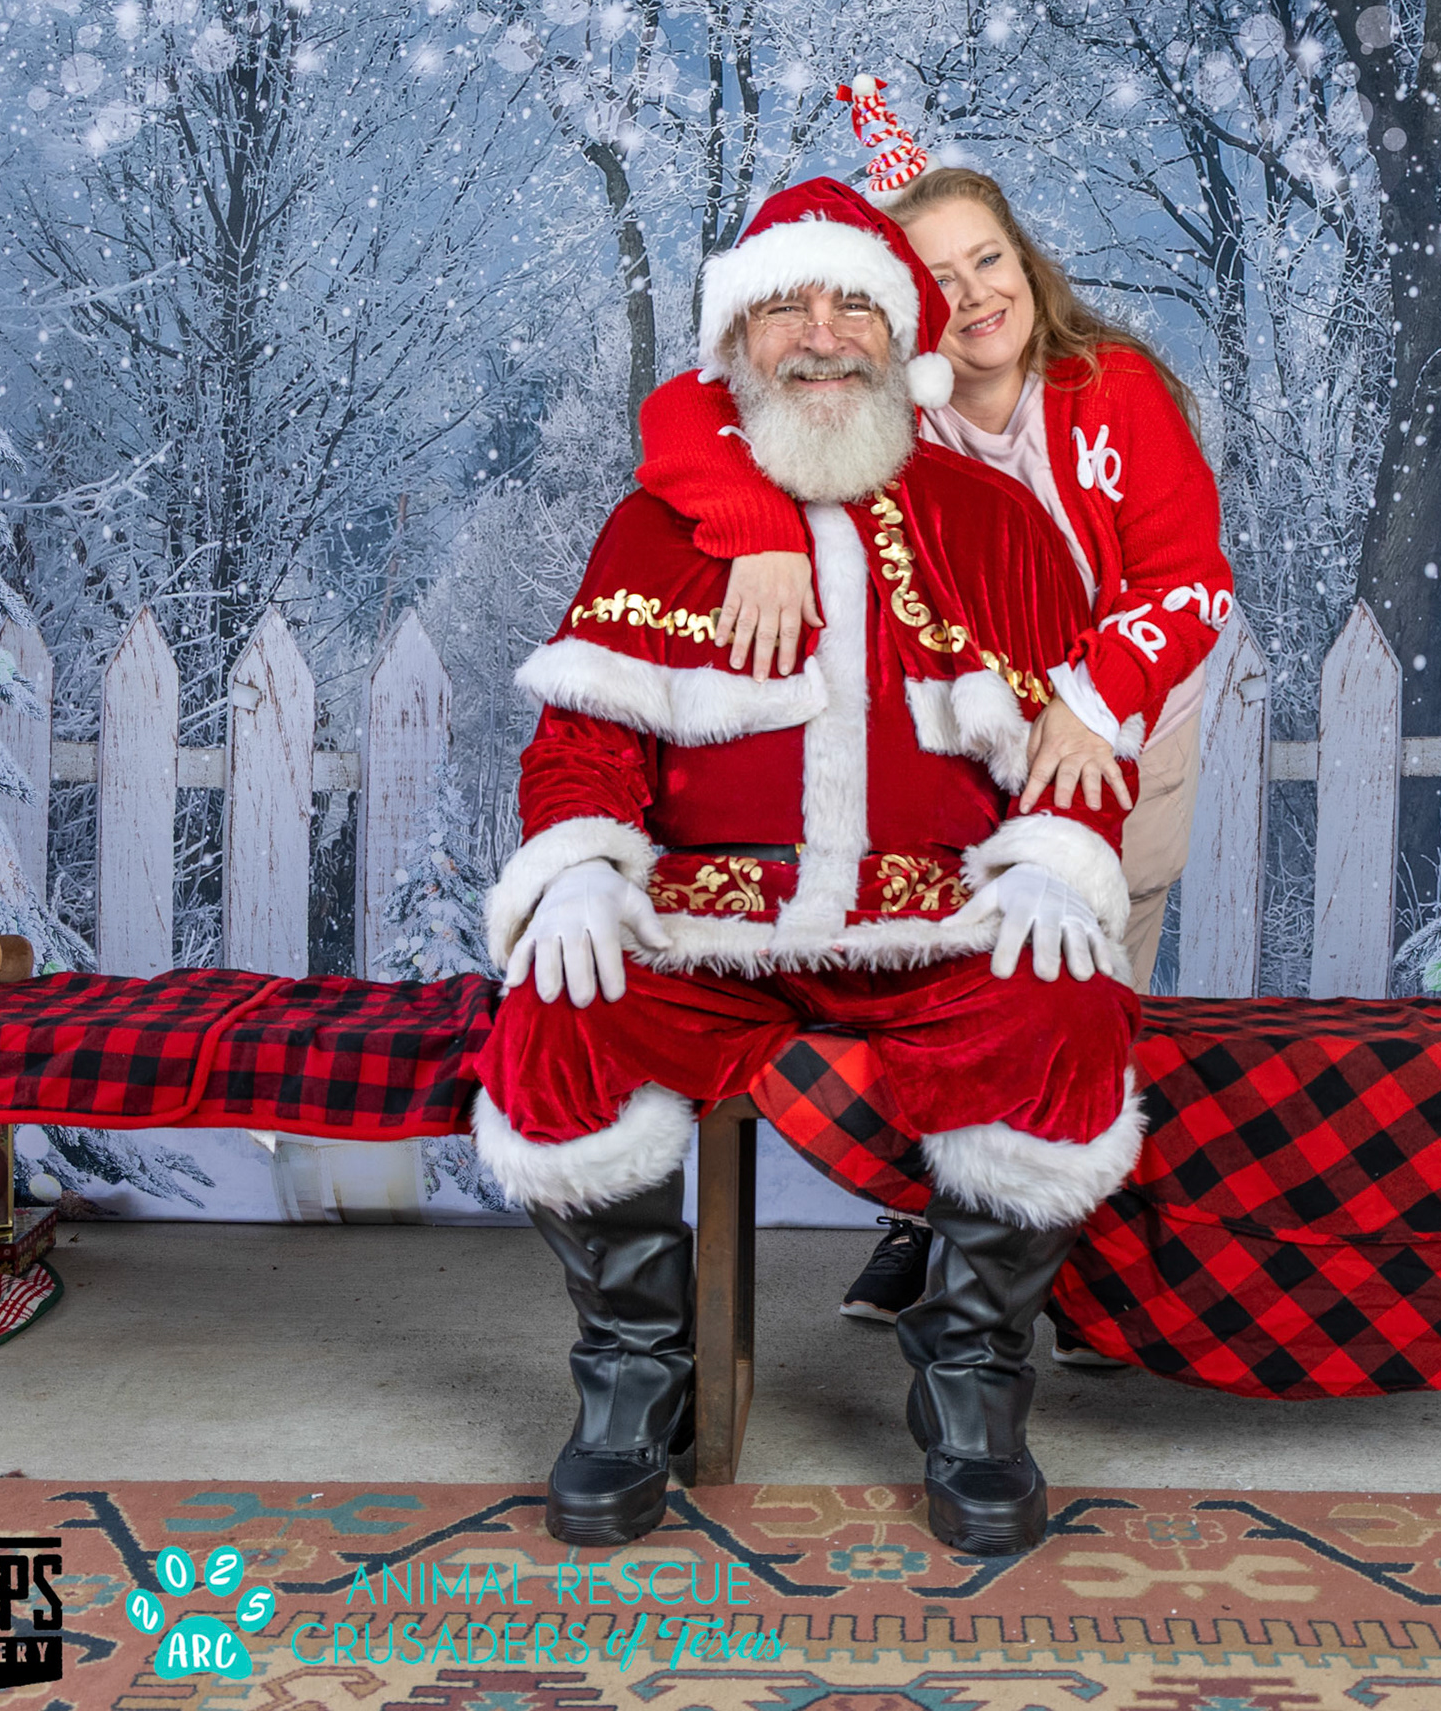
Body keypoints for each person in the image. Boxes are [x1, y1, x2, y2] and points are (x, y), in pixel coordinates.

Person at [474, 177, 1144, 1555]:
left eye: (855, 306)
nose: (823, 335)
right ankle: (634, 1378)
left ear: (903, 338)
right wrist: (581, 869)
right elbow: (585, 744)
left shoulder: (995, 526)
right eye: (786, 306)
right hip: (709, 924)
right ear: (736, 341)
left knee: (1067, 1012)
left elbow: (1071, 751)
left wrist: (1050, 861)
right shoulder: (659, 525)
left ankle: (972, 1383)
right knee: (560, 1009)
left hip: (937, 923)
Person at [634, 86, 1233, 1328]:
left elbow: (1188, 578)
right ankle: (924, 1220)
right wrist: (757, 527)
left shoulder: (1112, 388)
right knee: (946, 979)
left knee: (1087, 984)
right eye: (939, 276)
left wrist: (1091, 703)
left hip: (1122, 730)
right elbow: (688, 409)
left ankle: (1071, 1272)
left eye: (990, 259)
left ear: (1027, 264)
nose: (975, 296)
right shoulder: (893, 401)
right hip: (971, 742)